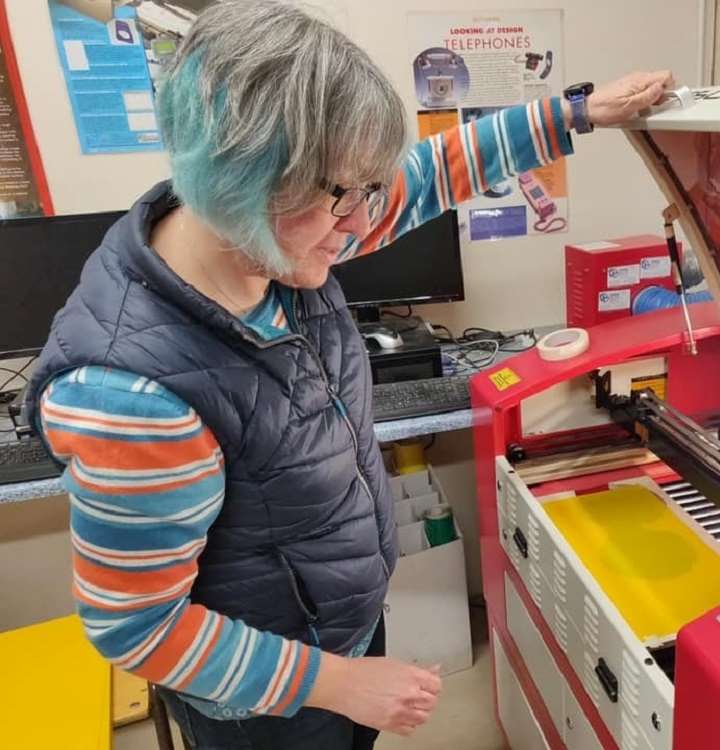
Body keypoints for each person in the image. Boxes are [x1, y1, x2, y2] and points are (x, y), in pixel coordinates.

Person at [25, 1, 675, 747]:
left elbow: (431, 173)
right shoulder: (132, 400)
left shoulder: (265, 238)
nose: (366, 221)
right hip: (264, 704)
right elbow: (138, 629)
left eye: (370, 189)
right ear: (243, 174)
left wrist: (579, 113)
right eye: (345, 194)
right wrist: (341, 685)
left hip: (333, 629)